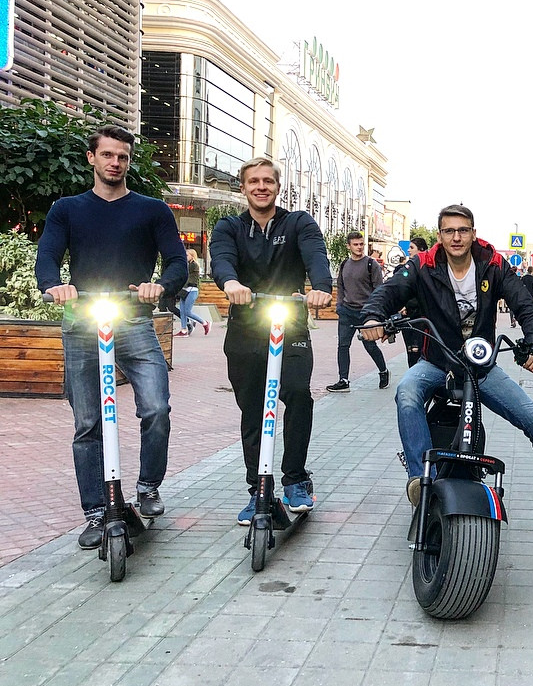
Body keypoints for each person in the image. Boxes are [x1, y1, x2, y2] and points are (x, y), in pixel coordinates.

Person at [358, 204, 533, 547]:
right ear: (440, 236)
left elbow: (524, 303)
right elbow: (389, 292)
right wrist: (373, 316)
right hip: (438, 361)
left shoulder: (493, 263)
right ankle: (421, 480)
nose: (456, 237)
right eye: (449, 231)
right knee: (407, 391)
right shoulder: (422, 265)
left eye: (463, 230)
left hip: (481, 366)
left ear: (473, 233)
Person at [35, 125, 186, 549]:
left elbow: (177, 261)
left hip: (135, 318)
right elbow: (47, 255)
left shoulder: (152, 210)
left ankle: (148, 487)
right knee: (88, 423)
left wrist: (161, 286)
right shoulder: (67, 209)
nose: (115, 162)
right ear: (92, 158)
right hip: (83, 320)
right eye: (107, 155)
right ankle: (97, 511)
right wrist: (54, 284)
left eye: (122, 156)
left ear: (128, 161)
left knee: (156, 406)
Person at [209, 156, 333, 525]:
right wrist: (230, 283)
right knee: (252, 407)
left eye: (268, 181)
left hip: (289, 322)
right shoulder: (229, 227)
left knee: (296, 394)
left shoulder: (298, 223)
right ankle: (258, 488)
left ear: (278, 187)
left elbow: (316, 256)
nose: (261, 187)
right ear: (243, 187)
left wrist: (321, 288)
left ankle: (295, 478)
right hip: (246, 326)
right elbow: (221, 260)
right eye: (254, 181)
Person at [326, 232, 390, 392]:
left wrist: (375, 312)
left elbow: (379, 290)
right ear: (349, 246)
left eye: (361, 244)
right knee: (343, 345)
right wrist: (339, 305)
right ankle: (343, 380)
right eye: (356, 244)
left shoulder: (371, 264)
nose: (359, 247)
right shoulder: (344, 265)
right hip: (347, 311)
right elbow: (340, 286)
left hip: (366, 313)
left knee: (370, 345)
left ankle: (383, 371)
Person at [394, 236, 428, 367]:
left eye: (412, 248)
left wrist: (408, 305)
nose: (409, 250)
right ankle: (413, 374)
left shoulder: (427, 270)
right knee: (410, 349)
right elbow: (396, 291)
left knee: (419, 348)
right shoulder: (402, 270)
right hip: (406, 317)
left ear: (422, 250)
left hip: (421, 317)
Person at [175, 249, 210, 337]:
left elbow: (184, 274)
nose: (185, 257)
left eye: (187, 255)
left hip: (192, 290)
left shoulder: (193, 265)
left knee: (187, 311)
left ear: (192, 256)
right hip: (184, 290)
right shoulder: (189, 264)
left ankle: (205, 323)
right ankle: (183, 330)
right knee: (182, 311)